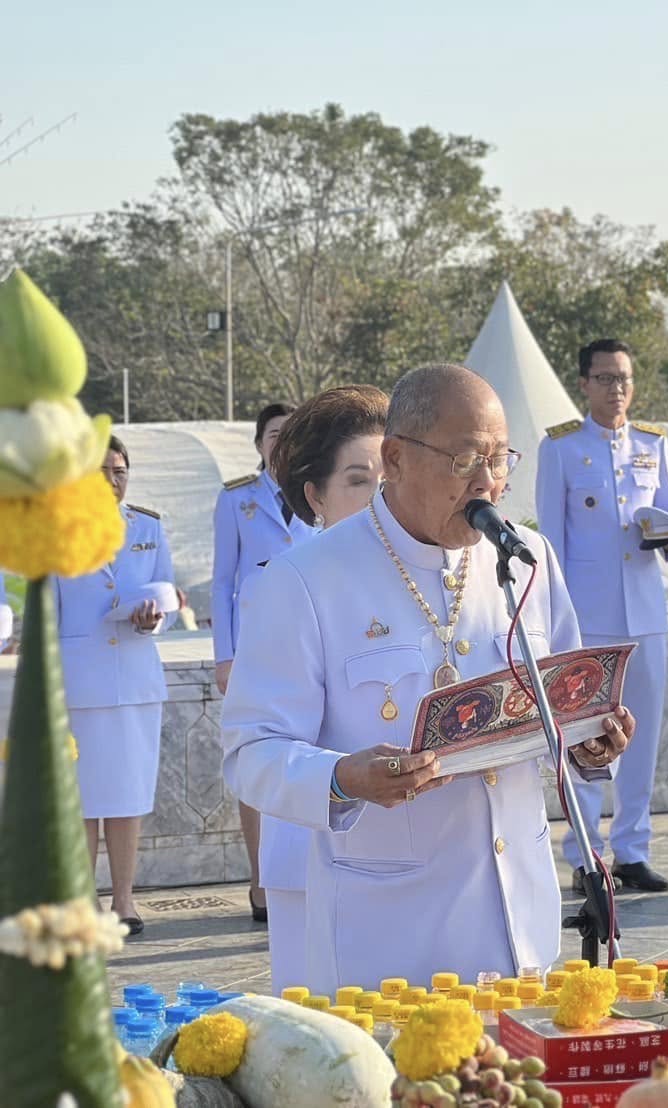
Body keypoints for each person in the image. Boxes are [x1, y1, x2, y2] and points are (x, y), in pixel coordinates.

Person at [221, 364, 633, 991]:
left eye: (500, 459)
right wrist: (342, 778)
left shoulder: (526, 561)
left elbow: (569, 702)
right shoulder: (305, 580)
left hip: (520, 923)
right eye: (465, 460)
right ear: (396, 458)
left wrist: (591, 745)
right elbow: (251, 751)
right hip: (390, 938)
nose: (487, 482)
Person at [536, 339, 668, 894]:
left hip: (645, 611)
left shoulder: (652, 443)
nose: (616, 389)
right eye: (604, 378)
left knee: (640, 740)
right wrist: (555, 619)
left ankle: (631, 850)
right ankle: (585, 856)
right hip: (588, 615)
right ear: (584, 384)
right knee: (586, 738)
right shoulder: (560, 448)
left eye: (623, 378)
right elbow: (550, 542)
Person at [247, 384, 388, 991]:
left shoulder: (426, 579)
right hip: (311, 853)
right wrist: (342, 778)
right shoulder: (288, 584)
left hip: (406, 863)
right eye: (358, 480)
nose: (380, 497)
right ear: (315, 496)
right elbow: (258, 744)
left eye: (389, 477)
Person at [58, 436, 176, 936]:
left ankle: (123, 900)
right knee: (83, 801)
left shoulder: (148, 527)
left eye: (120, 471)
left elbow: (170, 598)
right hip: (78, 685)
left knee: (128, 798)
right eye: (101, 470)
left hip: (134, 682)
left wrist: (154, 619)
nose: (112, 480)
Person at [213, 402, 315, 922]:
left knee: (306, 755)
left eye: (291, 433)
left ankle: (305, 871)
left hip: (306, 639)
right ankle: (260, 878)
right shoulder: (237, 498)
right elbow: (222, 581)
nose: (282, 441)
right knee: (256, 755)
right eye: (274, 434)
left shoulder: (319, 489)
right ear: (259, 443)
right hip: (253, 643)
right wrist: (224, 655)